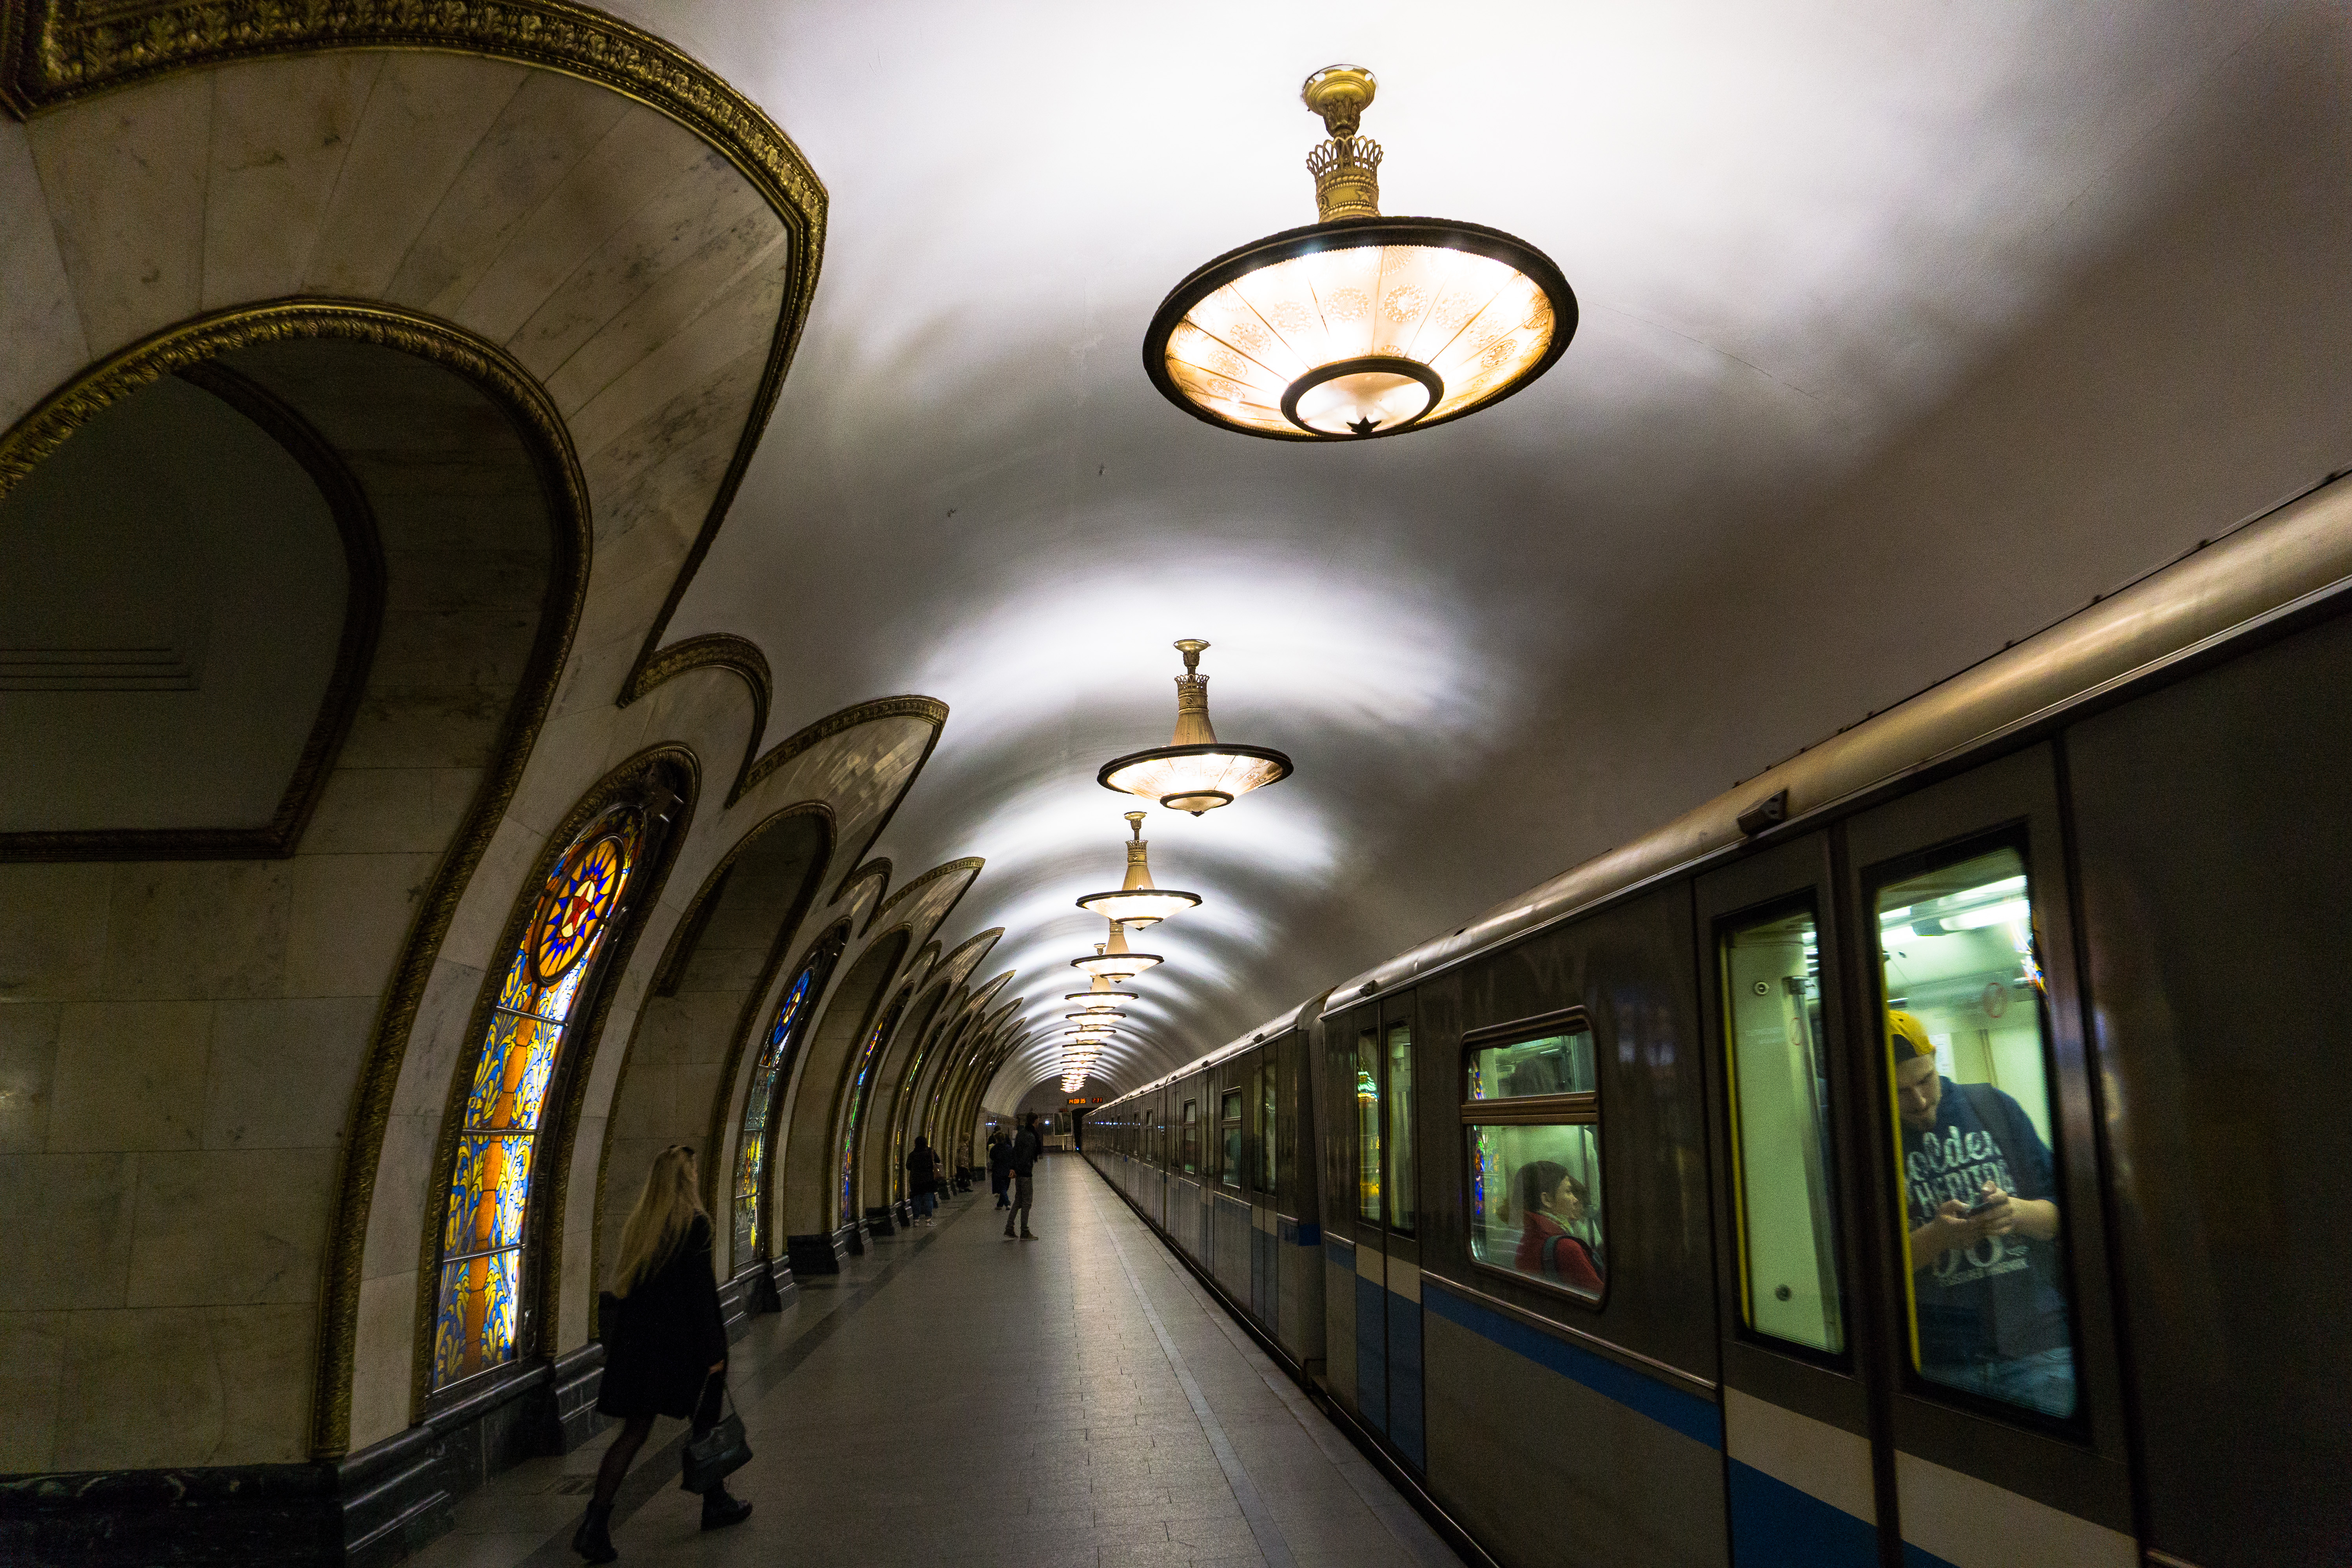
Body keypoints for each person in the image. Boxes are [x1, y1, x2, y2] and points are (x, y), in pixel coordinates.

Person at [1889, 1009, 2075, 1418]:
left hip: (2038, 1345)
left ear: (1935, 1059)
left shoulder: (1992, 1106)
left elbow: (2063, 1217)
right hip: (1940, 1362)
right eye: (1900, 1091)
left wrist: (2015, 1213)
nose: (1919, 1100)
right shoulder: (1871, 1142)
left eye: (1925, 1080)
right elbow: (1869, 1271)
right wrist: (1937, 1237)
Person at [575, 1145, 752, 1563]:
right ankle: (715, 1502)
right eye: (692, 1170)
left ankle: (594, 1523)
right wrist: (716, 1351)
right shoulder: (694, 1225)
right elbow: (700, 1296)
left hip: (639, 1350)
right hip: (681, 1350)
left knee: (633, 1433)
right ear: (686, 1178)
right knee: (706, 1421)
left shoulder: (642, 1227)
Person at [1511, 1160, 1603, 1295]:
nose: (1575, 1199)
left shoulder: (1527, 1239)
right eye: (1569, 1191)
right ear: (1547, 1200)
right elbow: (1600, 1295)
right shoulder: (1567, 1248)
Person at [1005, 1113, 1041, 1240]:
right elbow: (1026, 1156)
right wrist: (1022, 1169)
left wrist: (1014, 1169)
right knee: (1027, 1203)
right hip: (1025, 1173)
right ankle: (1025, 1231)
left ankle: (1009, 1228)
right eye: (1038, 1121)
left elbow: (1015, 1152)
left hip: (1019, 1173)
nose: (1038, 1124)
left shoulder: (1021, 1133)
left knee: (1018, 1201)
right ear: (1035, 1121)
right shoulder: (1031, 1136)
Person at [905, 1134, 939, 1225]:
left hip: (915, 1181)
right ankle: (928, 1220)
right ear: (926, 1143)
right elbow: (938, 1161)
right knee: (928, 1199)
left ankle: (916, 1221)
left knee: (916, 1200)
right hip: (929, 1180)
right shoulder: (931, 1152)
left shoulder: (912, 1155)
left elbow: (908, 1167)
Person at [987, 1130, 1014, 1210]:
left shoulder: (995, 1149)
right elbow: (1013, 1158)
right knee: (1005, 1187)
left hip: (998, 1171)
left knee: (1002, 1188)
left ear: (997, 1140)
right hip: (1008, 1170)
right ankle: (1000, 1205)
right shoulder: (1009, 1148)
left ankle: (1007, 1203)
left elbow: (992, 1157)